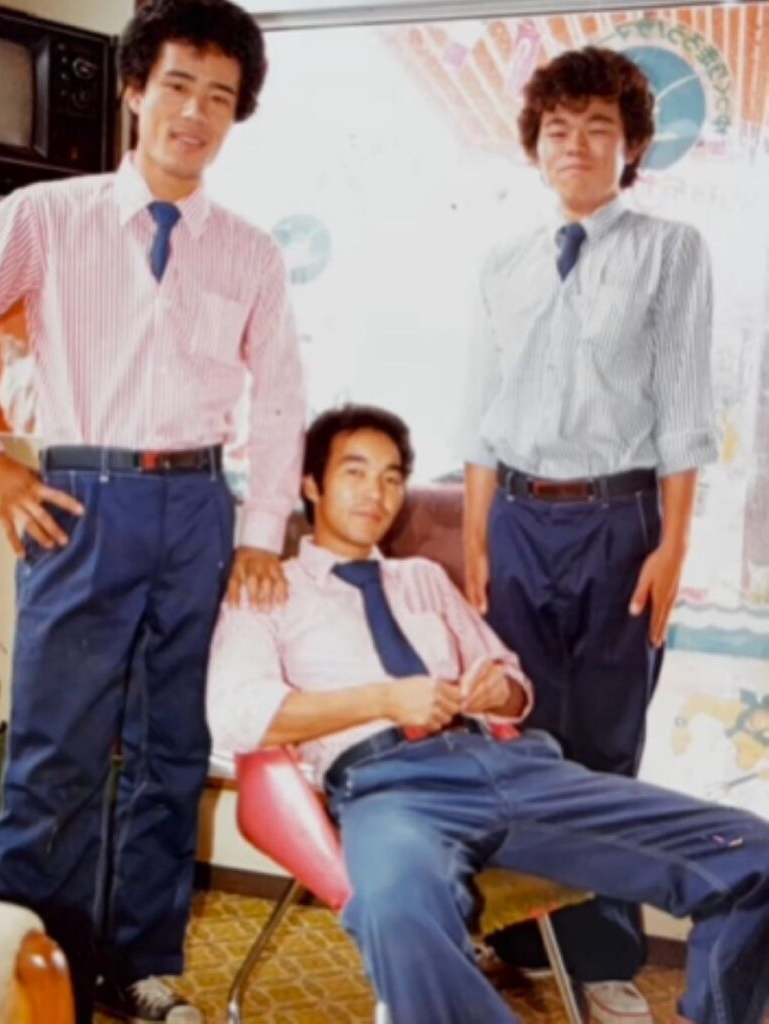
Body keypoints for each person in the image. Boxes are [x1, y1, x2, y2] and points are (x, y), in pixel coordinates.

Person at [0, 1, 305, 1021]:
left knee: (170, 751)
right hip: (79, 502)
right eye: (177, 85)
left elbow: (279, 400)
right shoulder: (49, 215)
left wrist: (260, 534)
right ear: (134, 90)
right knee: (56, 753)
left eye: (219, 97)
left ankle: (138, 969)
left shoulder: (250, 252)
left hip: (198, 507)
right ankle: (27, 978)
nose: (195, 113)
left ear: (236, 115)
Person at [207, 404, 769, 1024]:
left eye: (391, 477)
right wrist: (384, 701)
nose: (376, 493)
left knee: (750, 852)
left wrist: (496, 691)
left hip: (514, 769)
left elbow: (513, 684)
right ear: (311, 484)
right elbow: (234, 716)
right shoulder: (269, 589)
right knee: (396, 908)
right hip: (390, 792)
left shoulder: (422, 578)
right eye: (355, 472)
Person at [459, 46, 718, 1021]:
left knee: (604, 747)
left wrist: (671, 546)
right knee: (519, 738)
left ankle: (602, 959)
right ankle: (517, 942)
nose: (574, 144)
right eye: (557, 128)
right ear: (535, 145)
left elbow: (683, 410)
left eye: (597, 127)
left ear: (630, 147)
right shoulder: (502, 260)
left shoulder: (670, 250)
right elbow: (479, 412)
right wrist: (476, 540)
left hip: (620, 522)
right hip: (516, 519)